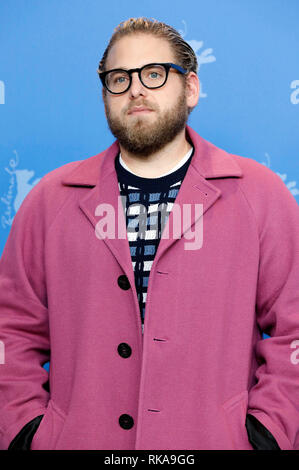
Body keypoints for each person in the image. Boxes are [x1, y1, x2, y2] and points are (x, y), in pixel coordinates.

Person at [0, 17, 298, 451]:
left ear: (190, 88)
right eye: (119, 78)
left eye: (154, 74)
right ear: (105, 95)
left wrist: (268, 433)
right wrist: (27, 431)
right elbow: (11, 329)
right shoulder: (50, 200)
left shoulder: (258, 195)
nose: (136, 89)